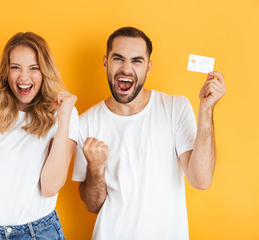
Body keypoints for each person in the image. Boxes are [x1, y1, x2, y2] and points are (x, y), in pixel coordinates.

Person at [72, 27, 227, 239]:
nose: (126, 68)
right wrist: (96, 168)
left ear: (148, 67)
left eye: (137, 60)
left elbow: (201, 180)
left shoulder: (175, 108)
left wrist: (206, 109)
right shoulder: (85, 124)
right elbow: (93, 206)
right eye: (118, 58)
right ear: (105, 63)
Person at [0, 32, 78, 240]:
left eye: (34, 68)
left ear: (44, 71)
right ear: (6, 71)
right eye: (15, 67)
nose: (24, 77)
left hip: (40, 233)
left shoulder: (63, 113)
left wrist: (64, 120)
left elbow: (50, 187)